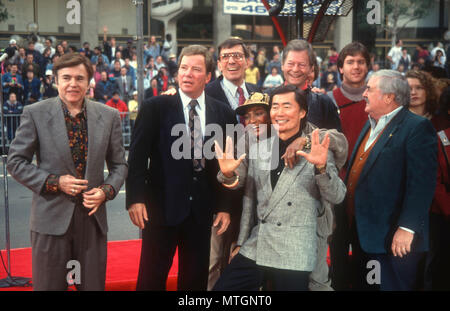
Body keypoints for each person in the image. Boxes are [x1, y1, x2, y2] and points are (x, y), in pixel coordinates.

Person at [6, 53, 128, 291]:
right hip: (50, 221)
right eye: (67, 78)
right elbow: (16, 162)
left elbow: (119, 165)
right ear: (56, 80)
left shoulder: (109, 115)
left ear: (89, 82)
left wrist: (106, 190)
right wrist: (55, 182)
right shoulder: (36, 113)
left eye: (80, 78)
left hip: (92, 223)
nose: (73, 84)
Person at [213, 85, 346, 291]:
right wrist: (229, 174)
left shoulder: (316, 149)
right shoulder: (259, 149)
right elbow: (249, 199)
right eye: (275, 107)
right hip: (259, 242)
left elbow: (337, 196)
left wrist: (320, 167)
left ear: (302, 112)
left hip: (296, 247)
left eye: (287, 106)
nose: (279, 113)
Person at [126, 45, 236, 290]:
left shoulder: (224, 113)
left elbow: (228, 163)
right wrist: (135, 198)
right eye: (183, 68)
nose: (187, 74)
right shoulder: (155, 107)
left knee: (195, 281)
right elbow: (137, 157)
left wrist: (225, 206)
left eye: (196, 69)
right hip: (160, 209)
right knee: (151, 279)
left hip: (201, 211)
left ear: (208, 76)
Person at [344, 70, 437, 291]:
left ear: (389, 97)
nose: (364, 93)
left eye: (370, 89)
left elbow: (422, 184)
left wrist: (407, 228)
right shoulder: (370, 124)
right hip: (364, 235)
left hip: (393, 241)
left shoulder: (417, 128)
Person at [326, 41, 371, 290]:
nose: (356, 66)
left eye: (361, 62)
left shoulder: (378, 99)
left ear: (368, 66)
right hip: (337, 186)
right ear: (340, 68)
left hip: (369, 187)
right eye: (350, 62)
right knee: (339, 250)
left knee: (367, 252)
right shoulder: (328, 101)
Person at [405, 71, 450, 291]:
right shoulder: (396, 119)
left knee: (432, 262)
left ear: (429, 91)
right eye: (409, 87)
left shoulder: (441, 123)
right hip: (406, 200)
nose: (413, 92)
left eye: (419, 87)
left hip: (436, 207)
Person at [280, 39, 341, 131]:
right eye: (290, 64)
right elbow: (259, 143)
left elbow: (338, 141)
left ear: (311, 69)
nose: (295, 69)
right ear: (282, 65)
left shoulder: (322, 103)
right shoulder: (269, 99)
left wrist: (307, 141)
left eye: (302, 65)